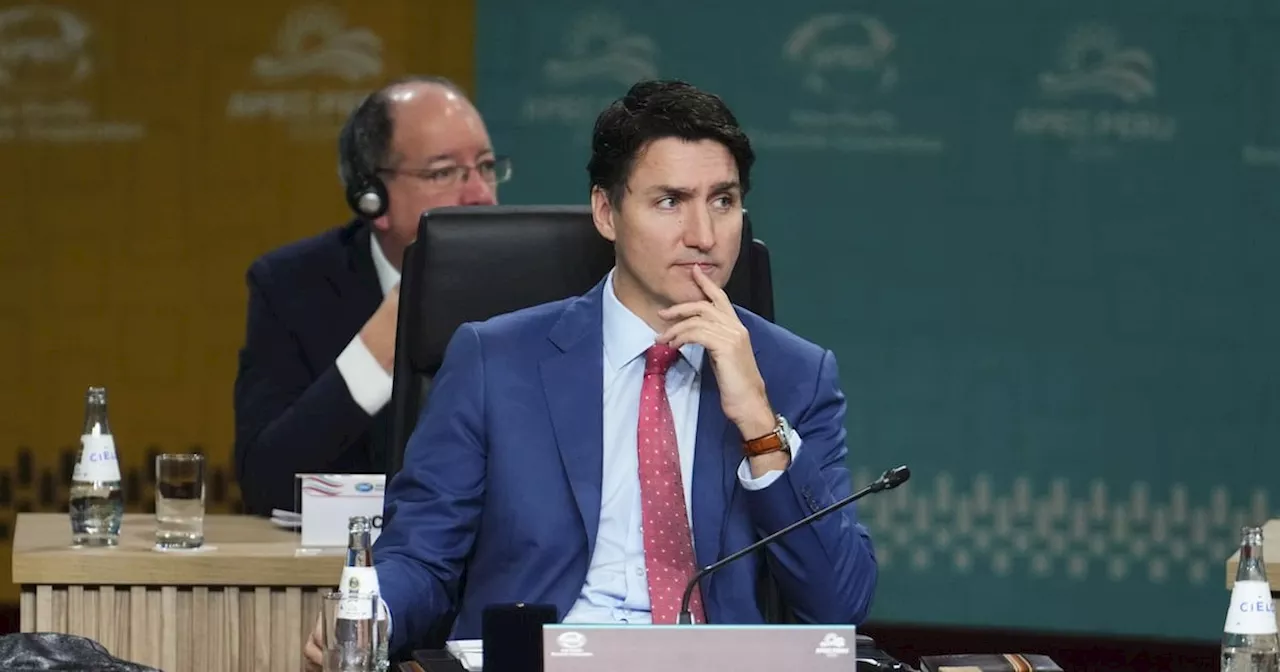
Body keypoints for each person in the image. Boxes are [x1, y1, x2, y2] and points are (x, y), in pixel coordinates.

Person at [303, 78, 877, 667]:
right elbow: (422, 558)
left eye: (723, 201)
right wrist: (374, 611)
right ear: (607, 212)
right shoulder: (494, 362)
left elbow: (839, 603)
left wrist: (758, 422)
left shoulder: (793, 374)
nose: (703, 236)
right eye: (670, 201)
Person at [233, 75, 510, 516]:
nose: (480, 194)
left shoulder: (535, 283)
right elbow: (265, 482)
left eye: (487, 167)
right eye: (443, 173)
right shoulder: (291, 287)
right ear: (372, 199)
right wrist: (374, 353)